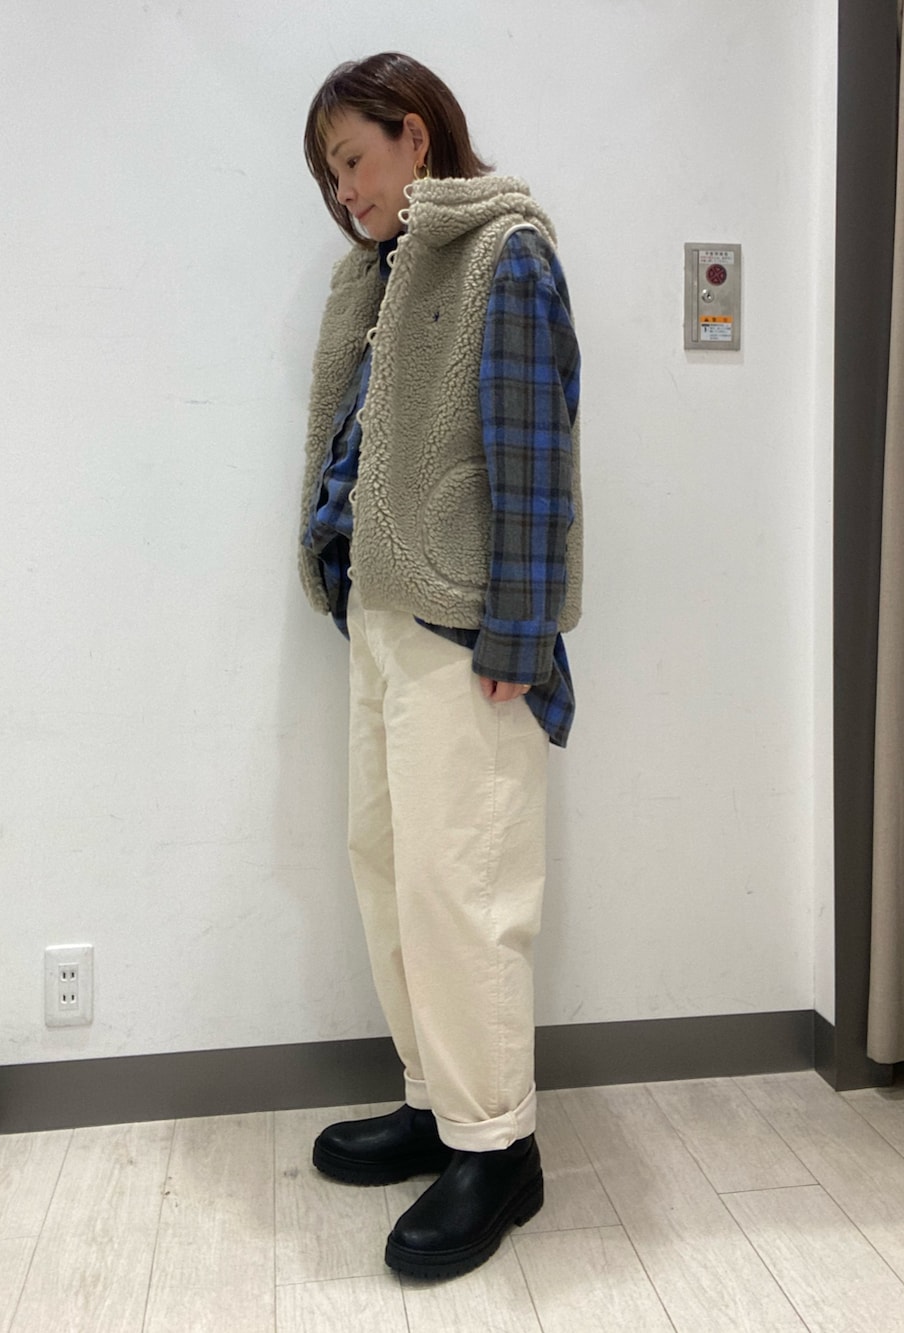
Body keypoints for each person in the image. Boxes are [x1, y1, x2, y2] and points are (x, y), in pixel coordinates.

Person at [298, 51, 582, 1280]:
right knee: (388, 869)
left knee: (465, 885)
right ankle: (436, 1101)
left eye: (352, 160)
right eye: (329, 177)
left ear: (416, 135)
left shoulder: (502, 254)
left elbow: (535, 460)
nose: (344, 192)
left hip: (468, 632)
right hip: (382, 612)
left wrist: (520, 631)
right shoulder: (377, 275)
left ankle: (497, 1147)